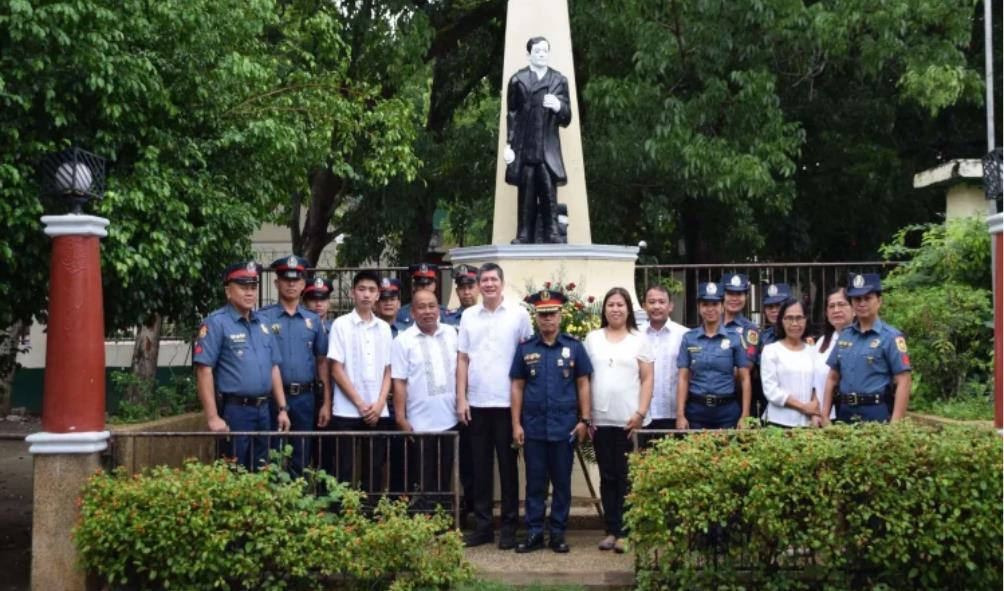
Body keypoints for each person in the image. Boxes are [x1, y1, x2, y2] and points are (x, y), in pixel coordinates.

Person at [456, 263, 533, 549]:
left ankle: (510, 527)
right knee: (480, 468)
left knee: (508, 467)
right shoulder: (468, 316)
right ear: (478, 285)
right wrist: (461, 397)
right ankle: (483, 525)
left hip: (507, 404)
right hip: (476, 402)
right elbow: (462, 358)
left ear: (502, 283)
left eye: (493, 279)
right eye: (483, 280)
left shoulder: (519, 315)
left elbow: (526, 359)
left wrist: (521, 406)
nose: (488, 284)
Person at [510, 290, 593, 553]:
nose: (547, 319)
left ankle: (557, 533)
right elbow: (517, 387)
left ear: (560, 316)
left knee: (562, 484)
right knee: (534, 483)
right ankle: (534, 533)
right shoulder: (525, 349)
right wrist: (516, 424)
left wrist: (585, 420)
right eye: (542, 315)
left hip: (564, 427)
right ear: (536, 317)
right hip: (533, 427)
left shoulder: (574, 347)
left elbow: (583, 384)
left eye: (552, 314)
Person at [193, 261, 290, 471]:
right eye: (243, 287)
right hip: (236, 411)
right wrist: (212, 417)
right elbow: (204, 371)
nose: (249, 293)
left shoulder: (263, 323)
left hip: (264, 410)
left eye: (253, 287)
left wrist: (282, 408)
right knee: (234, 470)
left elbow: (274, 367)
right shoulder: (216, 323)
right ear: (228, 291)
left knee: (263, 469)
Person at [584, 287, 654, 554]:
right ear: (604, 310)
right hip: (601, 421)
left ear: (628, 310)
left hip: (629, 421)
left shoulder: (640, 340)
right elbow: (585, 380)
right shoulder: (592, 339)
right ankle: (612, 530)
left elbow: (647, 378)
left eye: (620, 305)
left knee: (627, 477)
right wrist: (587, 414)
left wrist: (640, 413)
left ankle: (627, 530)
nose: (615, 309)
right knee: (607, 476)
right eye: (610, 305)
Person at [259, 256, 330, 475]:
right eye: (286, 279)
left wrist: (326, 402)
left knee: (301, 453)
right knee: (271, 454)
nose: (291, 284)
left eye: (296, 280)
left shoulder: (313, 320)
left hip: (305, 398)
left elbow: (322, 361)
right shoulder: (263, 317)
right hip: (272, 398)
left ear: (303, 284)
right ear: (276, 283)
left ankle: (297, 504)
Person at [325, 270, 393, 492]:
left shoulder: (384, 328)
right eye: (362, 289)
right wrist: (361, 404)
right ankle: (343, 518)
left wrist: (380, 403)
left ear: (378, 295)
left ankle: (369, 516)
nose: (366, 294)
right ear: (353, 292)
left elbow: (388, 369)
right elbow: (335, 369)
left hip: (377, 411)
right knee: (344, 468)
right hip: (347, 411)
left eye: (372, 290)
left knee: (374, 469)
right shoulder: (340, 325)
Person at [391, 289, 459, 508]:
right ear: (412, 311)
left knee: (445, 474)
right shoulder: (403, 340)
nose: (428, 311)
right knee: (424, 475)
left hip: (449, 418)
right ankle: (426, 522)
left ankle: (444, 520)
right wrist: (401, 417)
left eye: (432, 306)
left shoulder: (451, 333)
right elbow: (399, 381)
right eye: (422, 307)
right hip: (420, 422)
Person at [503, 36, 572, 244]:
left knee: (548, 191)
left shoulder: (558, 80)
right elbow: (512, 114)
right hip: (525, 147)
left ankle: (552, 231)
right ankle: (524, 233)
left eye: (545, 51)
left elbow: (567, 116)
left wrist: (558, 106)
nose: (541, 54)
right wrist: (509, 146)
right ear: (529, 54)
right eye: (537, 51)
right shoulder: (518, 80)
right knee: (526, 192)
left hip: (547, 148)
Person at [822, 274, 912, 423]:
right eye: (857, 299)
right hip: (844, 412)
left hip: (876, 411)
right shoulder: (845, 335)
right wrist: (825, 415)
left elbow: (904, 380)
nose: (862, 303)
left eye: (867, 298)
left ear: (879, 301)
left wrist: (896, 425)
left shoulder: (891, 337)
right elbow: (832, 377)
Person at [676, 282, 752, 430]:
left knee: (728, 452)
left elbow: (745, 378)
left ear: (722, 306)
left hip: (727, 411)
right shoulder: (689, 338)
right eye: (705, 304)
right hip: (696, 410)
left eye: (715, 304)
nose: (710, 309)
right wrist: (680, 414)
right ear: (699, 307)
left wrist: (745, 416)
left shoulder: (735, 338)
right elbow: (683, 378)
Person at [760, 298, 822, 428]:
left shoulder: (813, 351)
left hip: (809, 422)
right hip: (778, 422)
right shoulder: (771, 350)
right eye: (789, 318)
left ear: (806, 320)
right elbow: (771, 390)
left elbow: (818, 385)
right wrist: (803, 407)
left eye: (799, 318)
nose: (794, 323)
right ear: (781, 321)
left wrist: (814, 412)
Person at [639, 285, 687, 445]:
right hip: (642, 415)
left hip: (673, 415)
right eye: (652, 302)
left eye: (662, 302)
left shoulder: (684, 335)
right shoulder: (635, 335)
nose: (657, 306)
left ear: (670, 306)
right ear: (644, 306)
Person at [810, 287, 852, 423]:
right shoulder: (821, 343)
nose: (836, 310)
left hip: (850, 413)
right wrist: (815, 413)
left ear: (854, 309)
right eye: (831, 306)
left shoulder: (862, 340)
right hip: (824, 417)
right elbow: (814, 382)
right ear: (826, 313)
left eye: (841, 304)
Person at [396, 263, 447, 331]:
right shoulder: (401, 313)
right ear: (414, 286)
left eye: (428, 284)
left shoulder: (445, 312)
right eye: (421, 284)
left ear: (434, 286)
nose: (424, 288)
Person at [760, 282, 792, 348]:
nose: (774, 310)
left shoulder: (799, 335)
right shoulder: (763, 337)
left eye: (778, 305)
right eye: (769, 306)